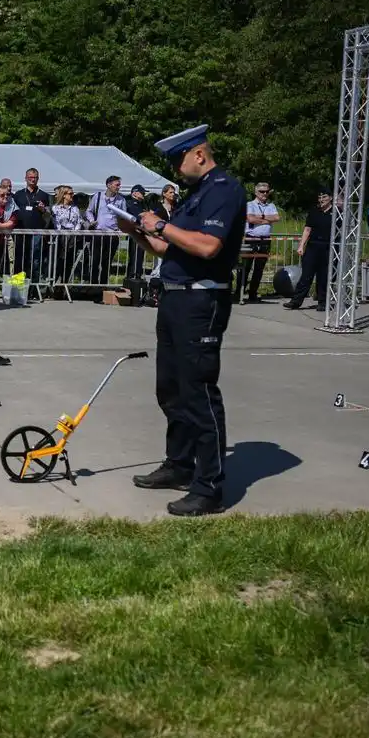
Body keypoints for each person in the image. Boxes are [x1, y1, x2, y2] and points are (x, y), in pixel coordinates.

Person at [118, 125, 246, 517]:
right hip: (174, 299)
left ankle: (209, 488)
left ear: (200, 156)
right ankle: (179, 464)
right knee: (170, 389)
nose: (176, 169)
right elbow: (165, 247)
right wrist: (138, 231)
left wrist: (160, 224)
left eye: (179, 160)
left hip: (201, 300)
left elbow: (208, 247)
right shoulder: (197, 196)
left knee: (198, 393)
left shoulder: (224, 190)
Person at [283, 189, 333, 311]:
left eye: (324, 197)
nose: (321, 200)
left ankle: (322, 302)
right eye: (319, 197)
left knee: (323, 277)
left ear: (330, 198)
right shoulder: (314, 211)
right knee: (306, 275)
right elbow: (307, 230)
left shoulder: (337, 213)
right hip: (313, 246)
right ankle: (296, 301)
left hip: (328, 247)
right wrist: (301, 246)